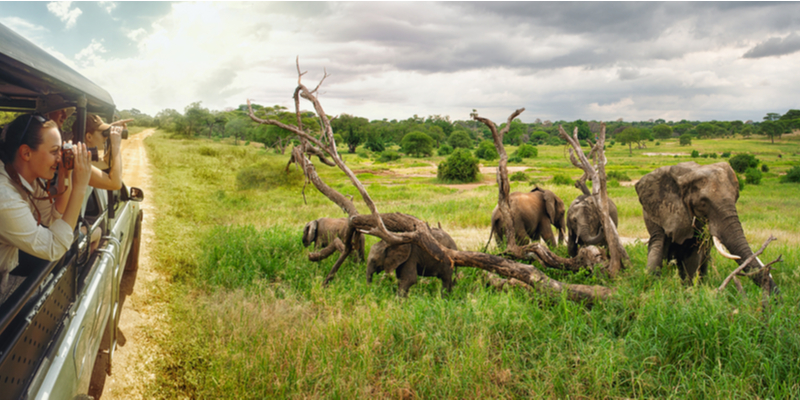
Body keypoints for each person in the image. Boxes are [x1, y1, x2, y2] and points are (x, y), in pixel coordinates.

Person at [0, 114, 92, 302]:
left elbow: (51, 219)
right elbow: (54, 248)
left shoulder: (30, 179)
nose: (60, 158)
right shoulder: (5, 198)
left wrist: (65, 178)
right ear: (26, 153)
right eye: (54, 152)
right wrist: (80, 188)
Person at [71, 114, 126, 190]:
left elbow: (106, 163)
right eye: (103, 133)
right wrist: (115, 145)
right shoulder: (79, 162)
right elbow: (115, 184)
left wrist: (112, 130)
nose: (106, 137)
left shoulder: (81, 156)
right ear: (89, 137)